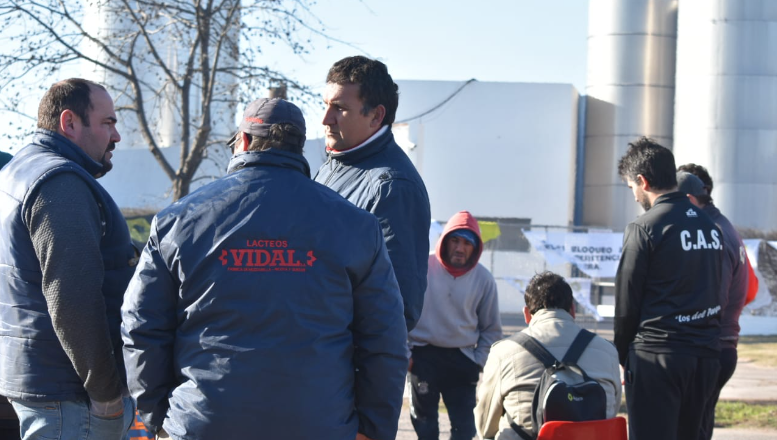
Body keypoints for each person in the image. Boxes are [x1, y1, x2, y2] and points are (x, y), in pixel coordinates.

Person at [122, 98, 409, 440]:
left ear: (242, 142)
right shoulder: (357, 226)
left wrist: (159, 417)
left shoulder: (178, 221)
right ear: (300, 147)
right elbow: (385, 339)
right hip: (319, 425)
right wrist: (374, 429)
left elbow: (141, 326)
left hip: (204, 424)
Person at [0, 78, 136, 439]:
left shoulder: (19, 173)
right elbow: (72, 297)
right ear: (70, 123)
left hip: (47, 386)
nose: (117, 135)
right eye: (108, 122)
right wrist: (106, 393)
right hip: (73, 399)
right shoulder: (60, 183)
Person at [614, 137, 722, 440]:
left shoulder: (644, 227)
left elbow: (626, 304)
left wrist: (620, 357)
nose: (635, 197)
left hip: (658, 358)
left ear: (642, 181)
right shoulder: (710, 226)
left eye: (631, 188)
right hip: (705, 357)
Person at [315, 55, 431, 331]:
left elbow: (398, 306)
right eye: (325, 105)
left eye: (339, 108)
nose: (325, 119)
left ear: (376, 116)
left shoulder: (393, 187)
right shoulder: (334, 166)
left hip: (339, 362)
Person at [474, 271, 621, 440]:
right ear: (572, 310)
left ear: (527, 314)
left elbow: (485, 427)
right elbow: (610, 411)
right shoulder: (608, 350)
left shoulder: (504, 352)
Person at [408, 210, 502, 440]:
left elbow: (491, 329)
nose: (460, 248)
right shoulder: (422, 267)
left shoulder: (484, 279)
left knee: (465, 430)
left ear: (476, 247)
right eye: (455, 240)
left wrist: (478, 361)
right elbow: (401, 315)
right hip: (423, 356)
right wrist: (406, 355)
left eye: (467, 243)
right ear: (444, 240)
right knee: (425, 428)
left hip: (462, 359)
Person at [676, 168, 750, 440]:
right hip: (720, 345)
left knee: (688, 430)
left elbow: (711, 299)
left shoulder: (711, 233)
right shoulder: (722, 226)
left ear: (690, 198)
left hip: (710, 346)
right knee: (698, 428)